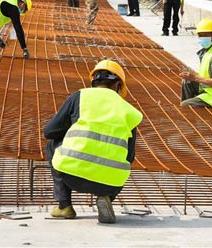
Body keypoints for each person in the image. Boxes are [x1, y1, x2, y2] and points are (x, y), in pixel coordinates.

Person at [44, 60, 143, 224]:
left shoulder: (80, 96)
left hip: (72, 175)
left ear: (94, 81)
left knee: (51, 146)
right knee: (122, 160)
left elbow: (49, 132)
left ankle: (64, 205)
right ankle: (106, 198)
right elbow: (130, 156)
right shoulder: (129, 111)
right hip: (110, 183)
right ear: (118, 85)